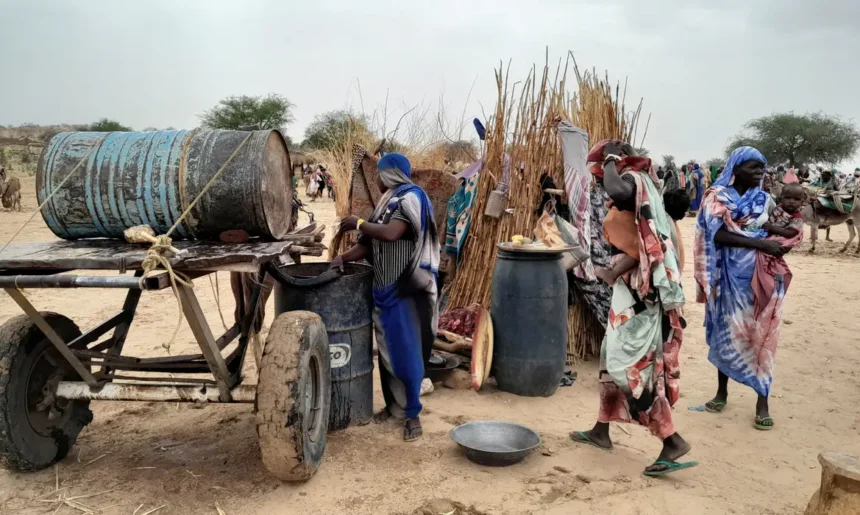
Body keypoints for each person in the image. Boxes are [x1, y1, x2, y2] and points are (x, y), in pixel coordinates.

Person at [570, 140, 695, 477]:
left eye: (600, 172)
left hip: (642, 299)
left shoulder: (633, 181)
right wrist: (612, 272)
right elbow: (641, 245)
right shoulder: (644, 194)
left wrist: (611, 159)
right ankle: (601, 430)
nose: (600, 181)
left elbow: (618, 191)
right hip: (630, 293)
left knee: (628, 367)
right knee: (610, 360)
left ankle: (671, 440)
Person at [330, 153, 439, 441]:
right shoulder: (388, 201)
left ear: (389, 173)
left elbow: (391, 234)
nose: (376, 179)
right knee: (388, 354)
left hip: (406, 291)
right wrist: (343, 257)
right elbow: (369, 244)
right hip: (383, 288)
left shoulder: (411, 198)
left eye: (379, 173)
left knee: (407, 354)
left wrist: (358, 223)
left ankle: (413, 415)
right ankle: (395, 408)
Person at [695, 146, 795, 431]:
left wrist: (783, 242)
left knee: (763, 334)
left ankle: (762, 402)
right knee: (728, 332)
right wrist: (759, 243)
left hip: (763, 276)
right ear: (736, 168)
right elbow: (717, 234)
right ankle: (721, 393)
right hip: (728, 277)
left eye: (762, 168)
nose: (759, 173)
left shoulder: (764, 199)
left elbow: (779, 227)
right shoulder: (717, 197)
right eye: (753, 168)